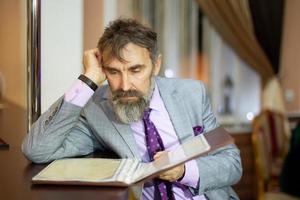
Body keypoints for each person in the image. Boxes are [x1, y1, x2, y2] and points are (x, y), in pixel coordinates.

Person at [22, 18, 242, 200]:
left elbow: (232, 162)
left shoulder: (192, 94)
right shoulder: (97, 108)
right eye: (114, 72)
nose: (125, 85)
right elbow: (36, 150)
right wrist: (88, 80)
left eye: (135, 70)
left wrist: (184, 171)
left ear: (156, 64)